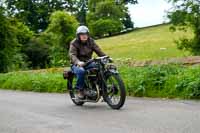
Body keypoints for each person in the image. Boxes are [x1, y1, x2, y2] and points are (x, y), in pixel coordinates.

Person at [69, 25, 106, 99]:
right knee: (81, 71)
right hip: (76, 64)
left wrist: (105, 57)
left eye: (85, 34)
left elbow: (98, 50)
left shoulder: (91, 41)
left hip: (88, 62)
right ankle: (80, 90)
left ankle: (99, 86)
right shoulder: (74, 43)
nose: (84, 36)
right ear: (78, 35)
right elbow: (72, 55)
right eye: (82, 34)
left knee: (100, 66)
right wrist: (78, 62)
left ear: (88, 34)